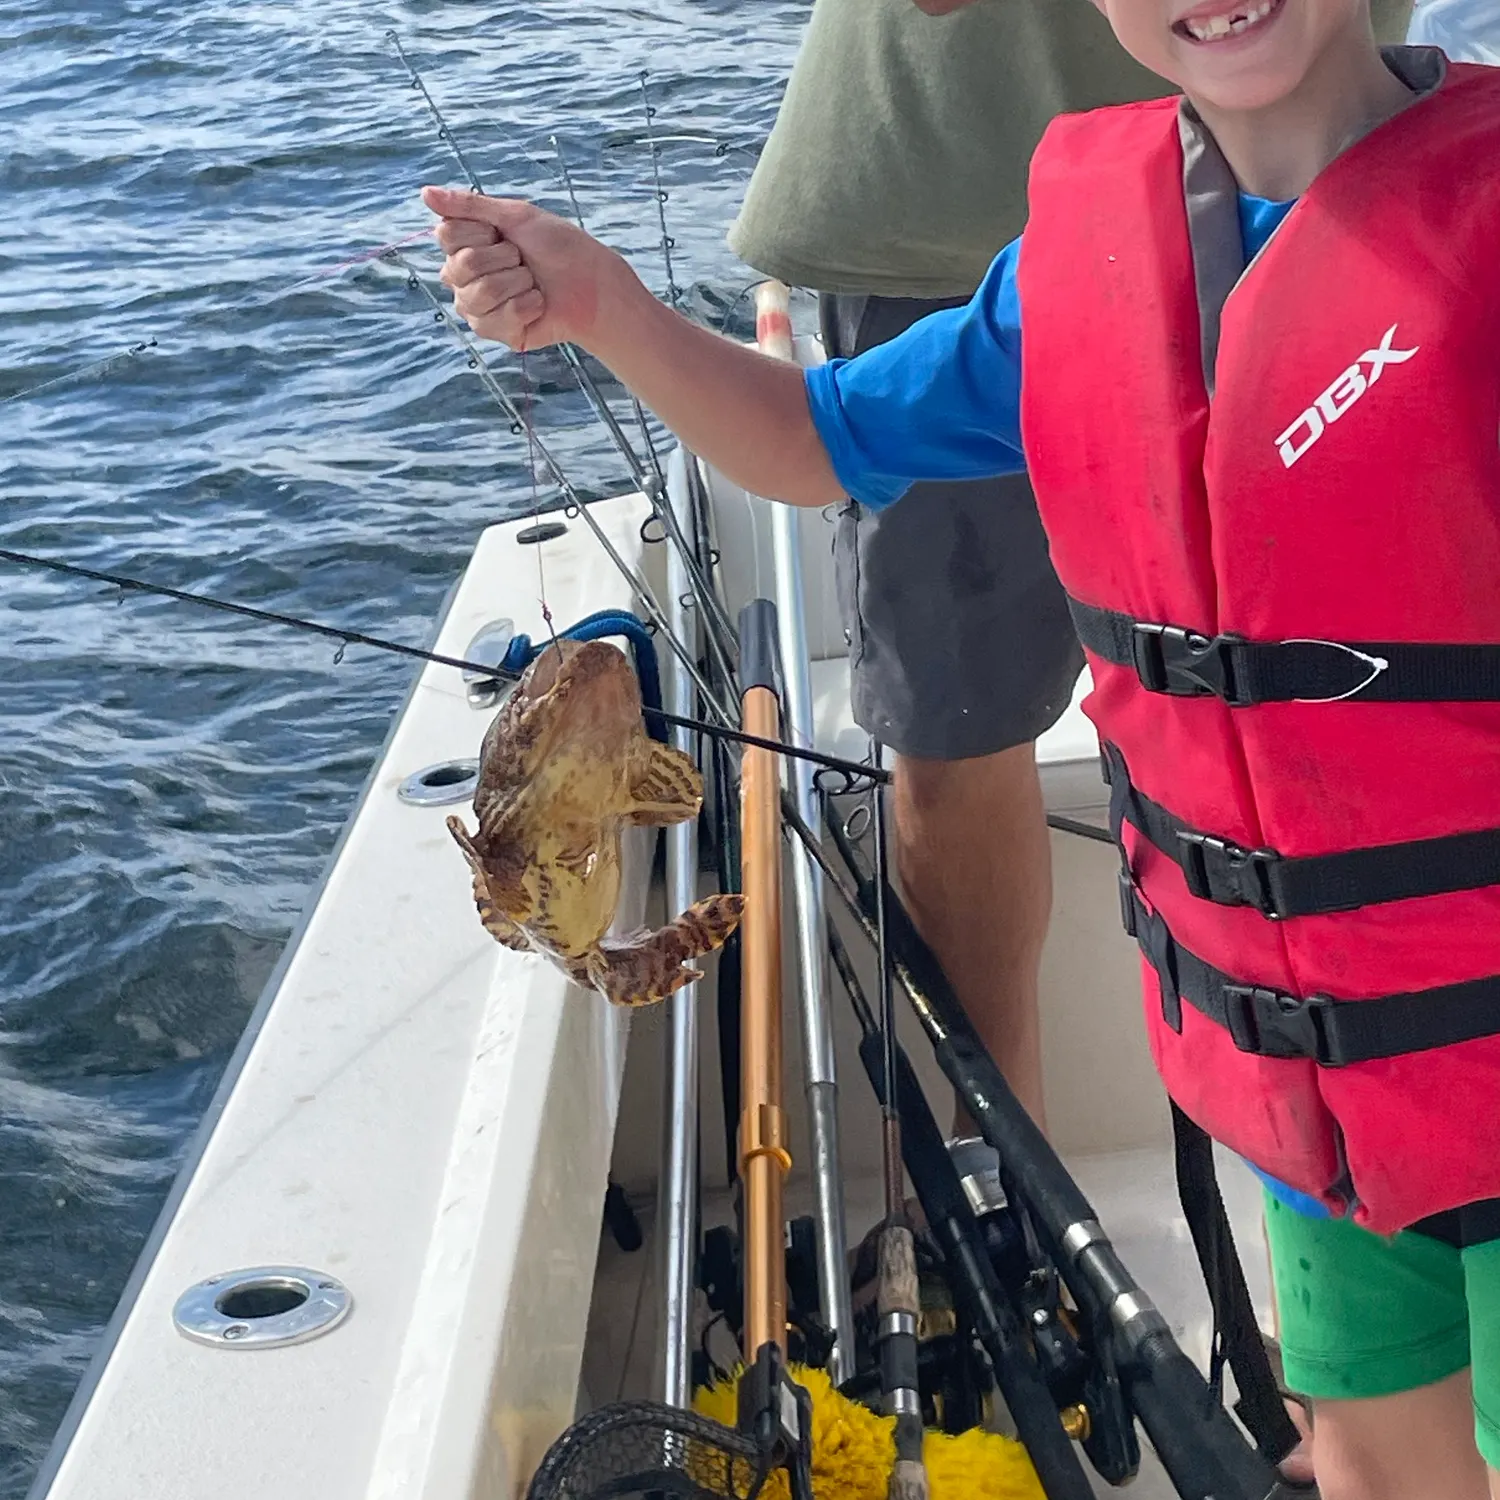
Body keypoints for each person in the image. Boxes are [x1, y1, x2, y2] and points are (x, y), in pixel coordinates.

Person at [423, 3, 1500, 1493]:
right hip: (1314, 1085)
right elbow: (812, 435)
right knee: (1380, 1460)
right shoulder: (1079, 267)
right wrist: (604, 304)